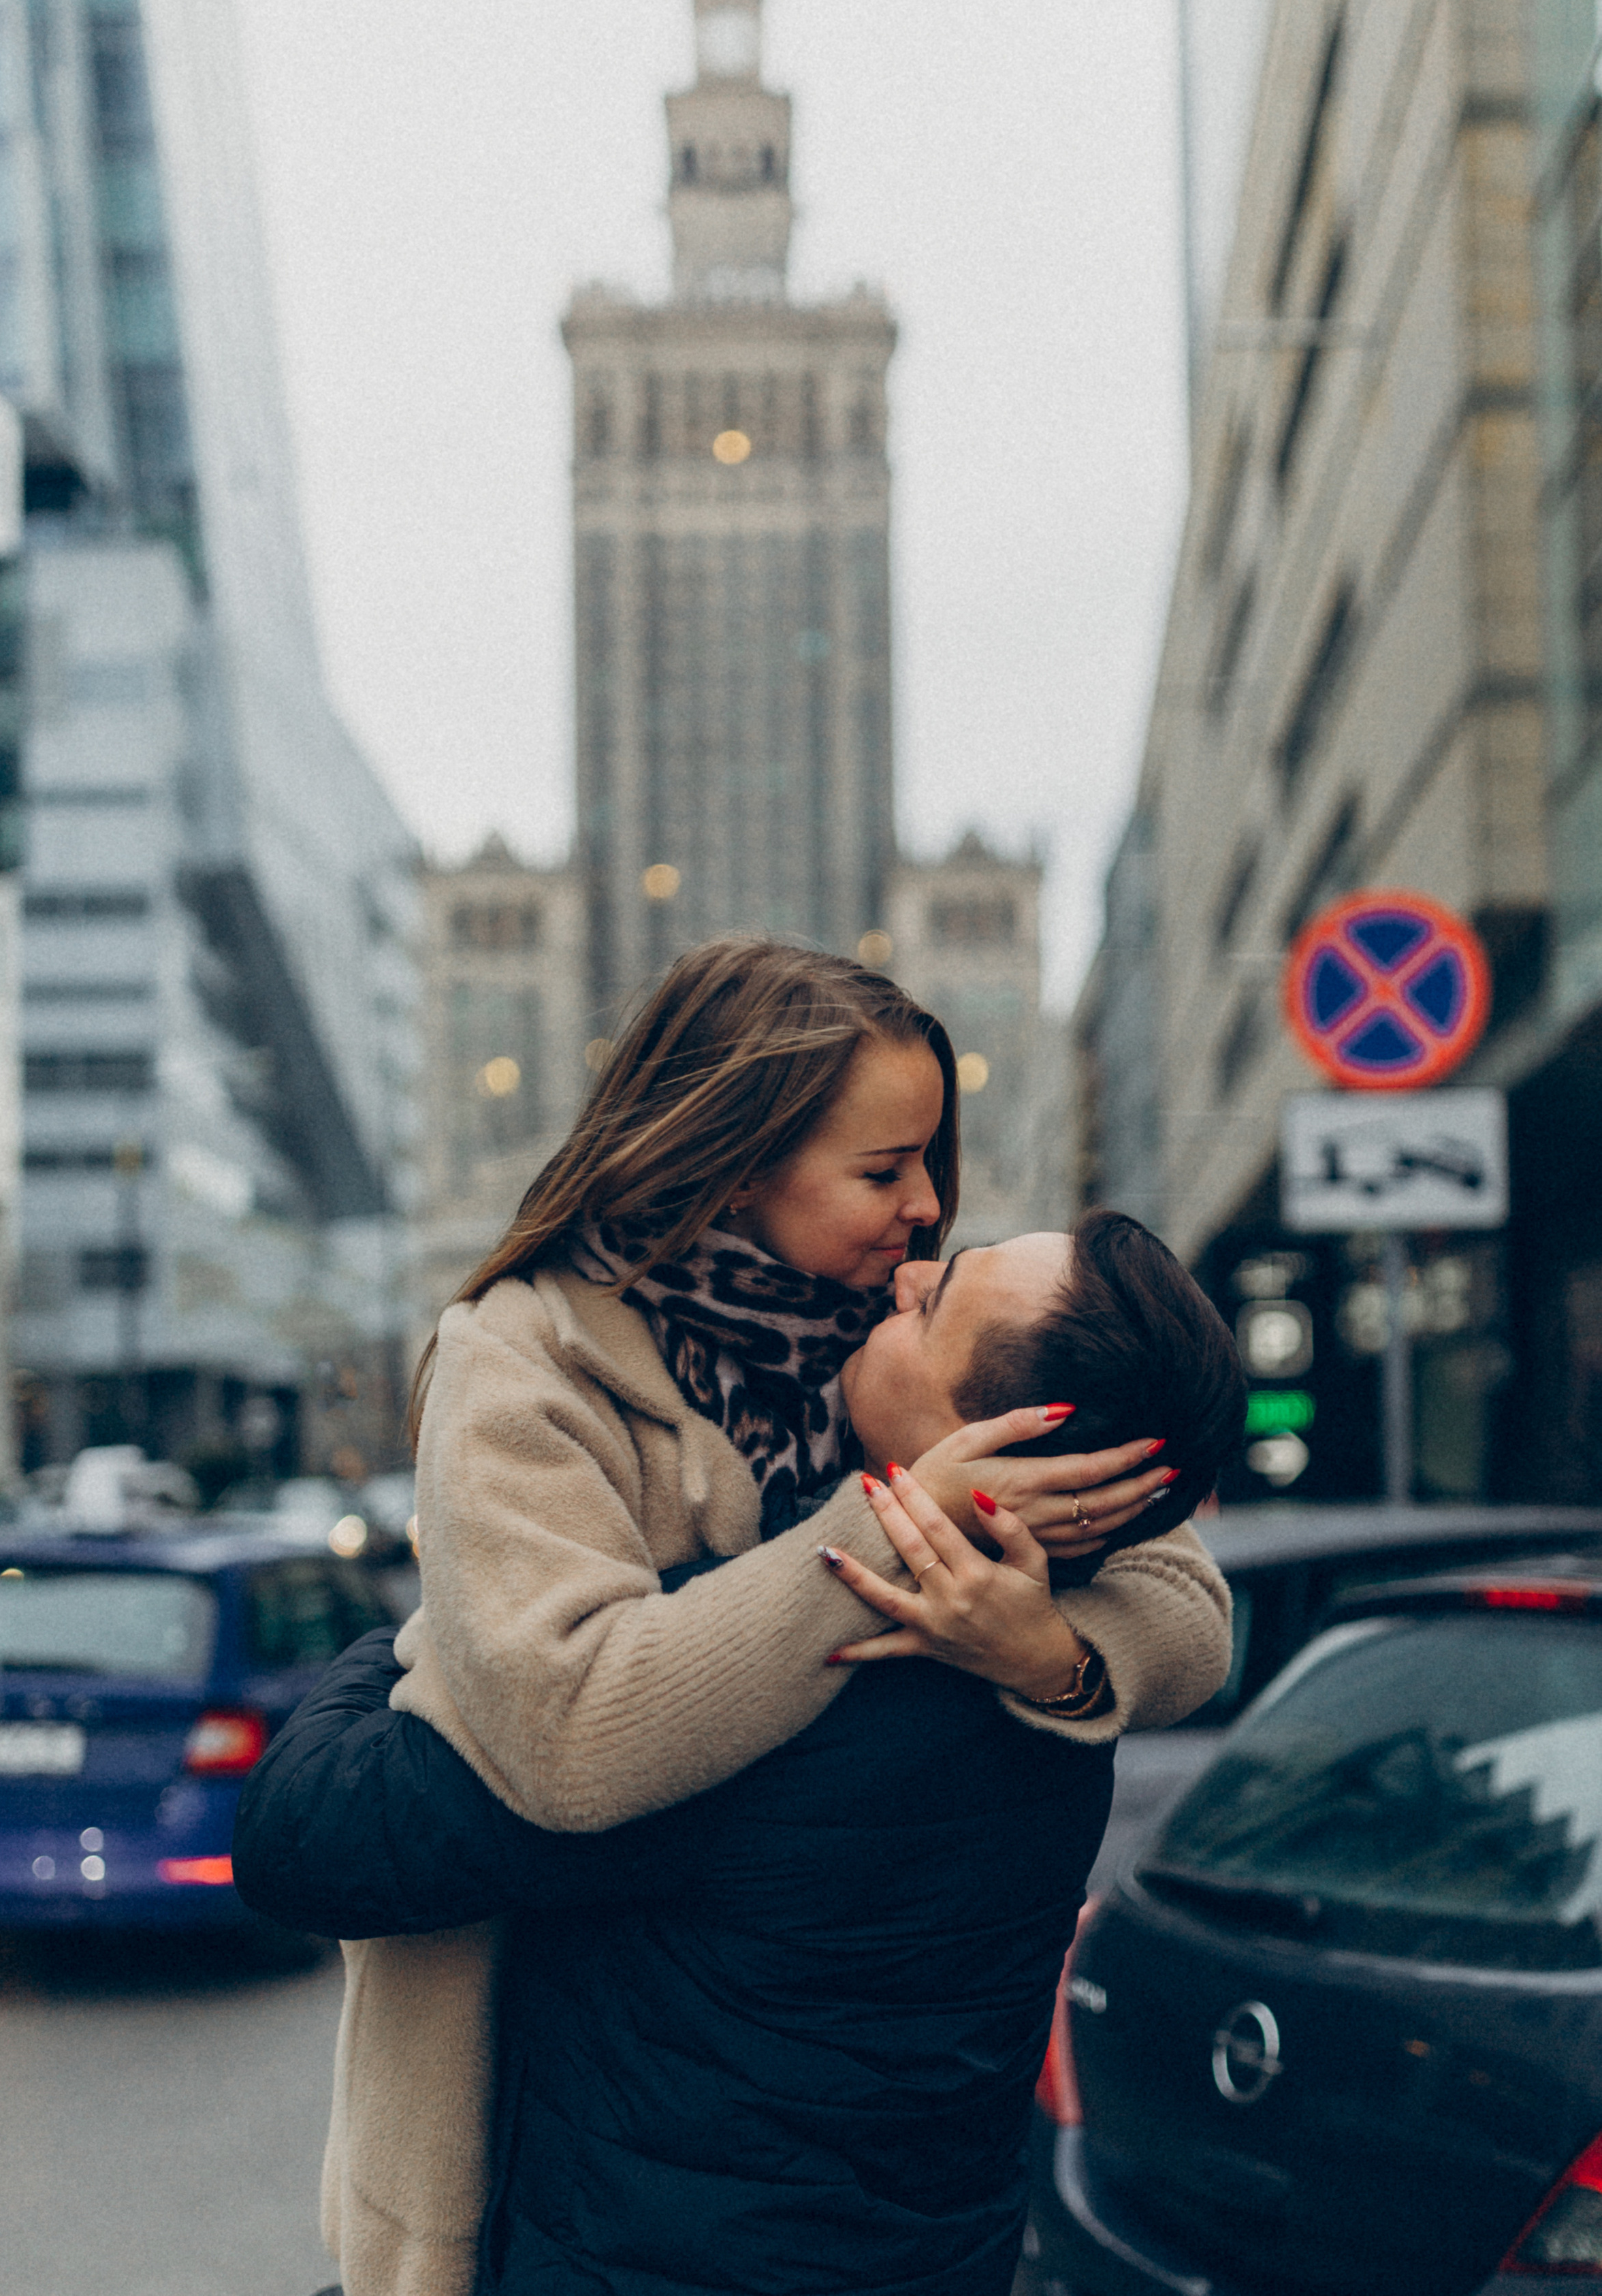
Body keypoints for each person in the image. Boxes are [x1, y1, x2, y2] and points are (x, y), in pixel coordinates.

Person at [286, 942, 1232, 2296]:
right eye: (882, 1169)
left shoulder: (923, 1340)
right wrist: (892, 1524)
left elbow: (1182, 1593)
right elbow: (562, 1736)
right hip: (509, 2107)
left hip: (766, 2156)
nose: (921, 1211)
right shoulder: (531, 1357)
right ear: (736, 1163)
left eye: (928, 1161)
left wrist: (1055, 1656)